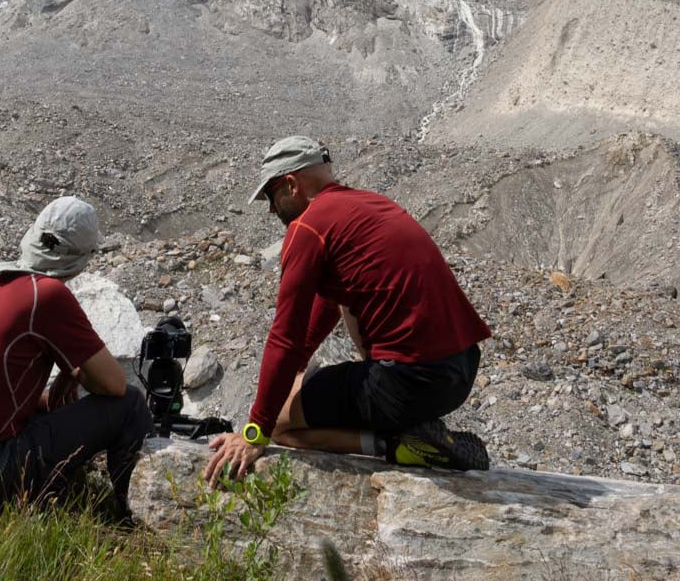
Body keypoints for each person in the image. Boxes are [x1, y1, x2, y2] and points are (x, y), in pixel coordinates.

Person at [204, 136, 491, 483]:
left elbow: (285, 336)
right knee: (307, 379)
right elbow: (329, 303)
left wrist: (254, 432)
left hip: (406, 382)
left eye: (271, 195)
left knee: (281, 425)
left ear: (291, 185)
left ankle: (398, 445)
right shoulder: (367, 205)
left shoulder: (308, 226)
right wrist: (298, 367)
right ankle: (412, 429)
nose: (270, 209)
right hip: (459, 374)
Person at [0, 196, 151, 521]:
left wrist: (51, 395)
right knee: (129, 405)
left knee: (47, 410)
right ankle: (130, 516)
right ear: (81, 257)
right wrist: (78, 374)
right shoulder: (47, 295)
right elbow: (115, 386)